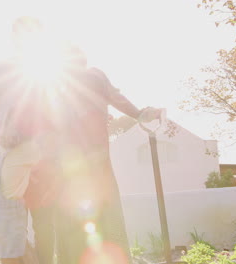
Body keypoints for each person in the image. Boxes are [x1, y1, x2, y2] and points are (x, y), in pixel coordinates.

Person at [51, 46, 163, 264]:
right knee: (105, 211)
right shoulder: (93, 76)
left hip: (69, 162)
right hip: (94, 158)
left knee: (73, 215)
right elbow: (116, 99)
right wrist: (140, 114)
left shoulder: (58, 85)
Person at [0, 16, 53, 264]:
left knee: (45, 225)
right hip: (9, 154)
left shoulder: (49, 72)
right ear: (14, 39)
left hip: (44, 158)